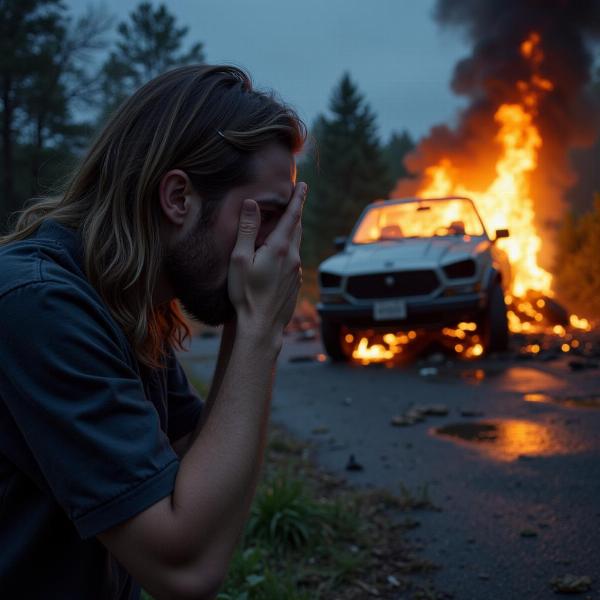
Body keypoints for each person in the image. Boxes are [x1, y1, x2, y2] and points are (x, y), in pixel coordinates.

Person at [0, 65, 307, 599]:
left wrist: (244, 320)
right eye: (269, 216)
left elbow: (198, 474)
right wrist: (258, 330)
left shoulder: (127, 302)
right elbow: (185, 568)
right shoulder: (39, 305)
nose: (279, 246)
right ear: (178, 198)